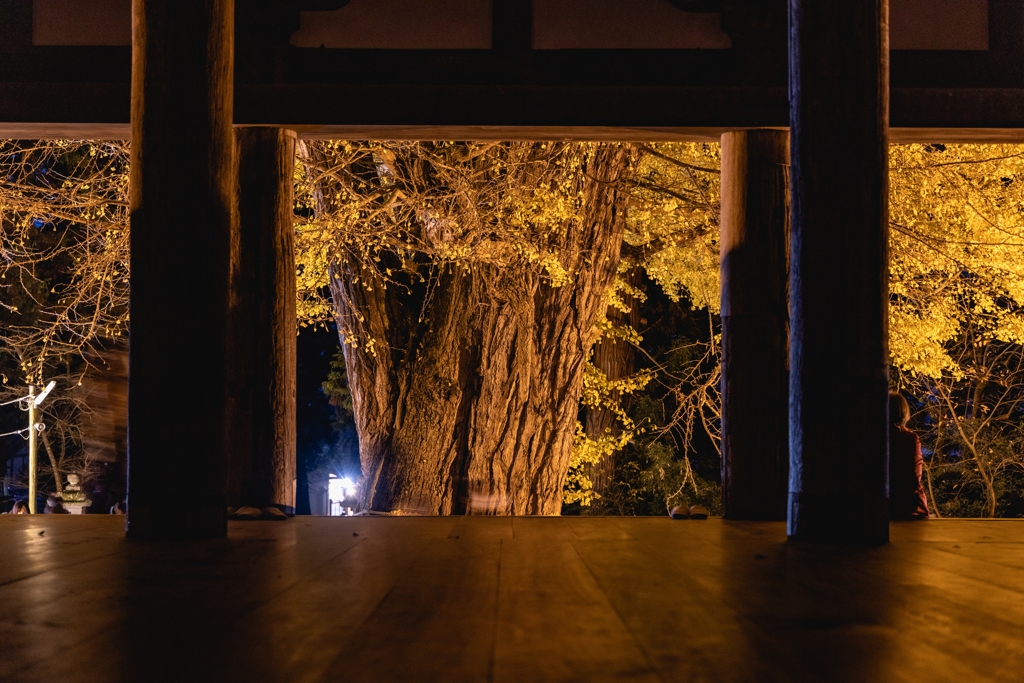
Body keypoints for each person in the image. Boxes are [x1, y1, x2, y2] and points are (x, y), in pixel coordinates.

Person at [889, 391, 930, 519]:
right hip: (911, 506)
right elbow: (915, 474)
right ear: (904, 412)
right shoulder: (909, 438)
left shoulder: (871, 437)